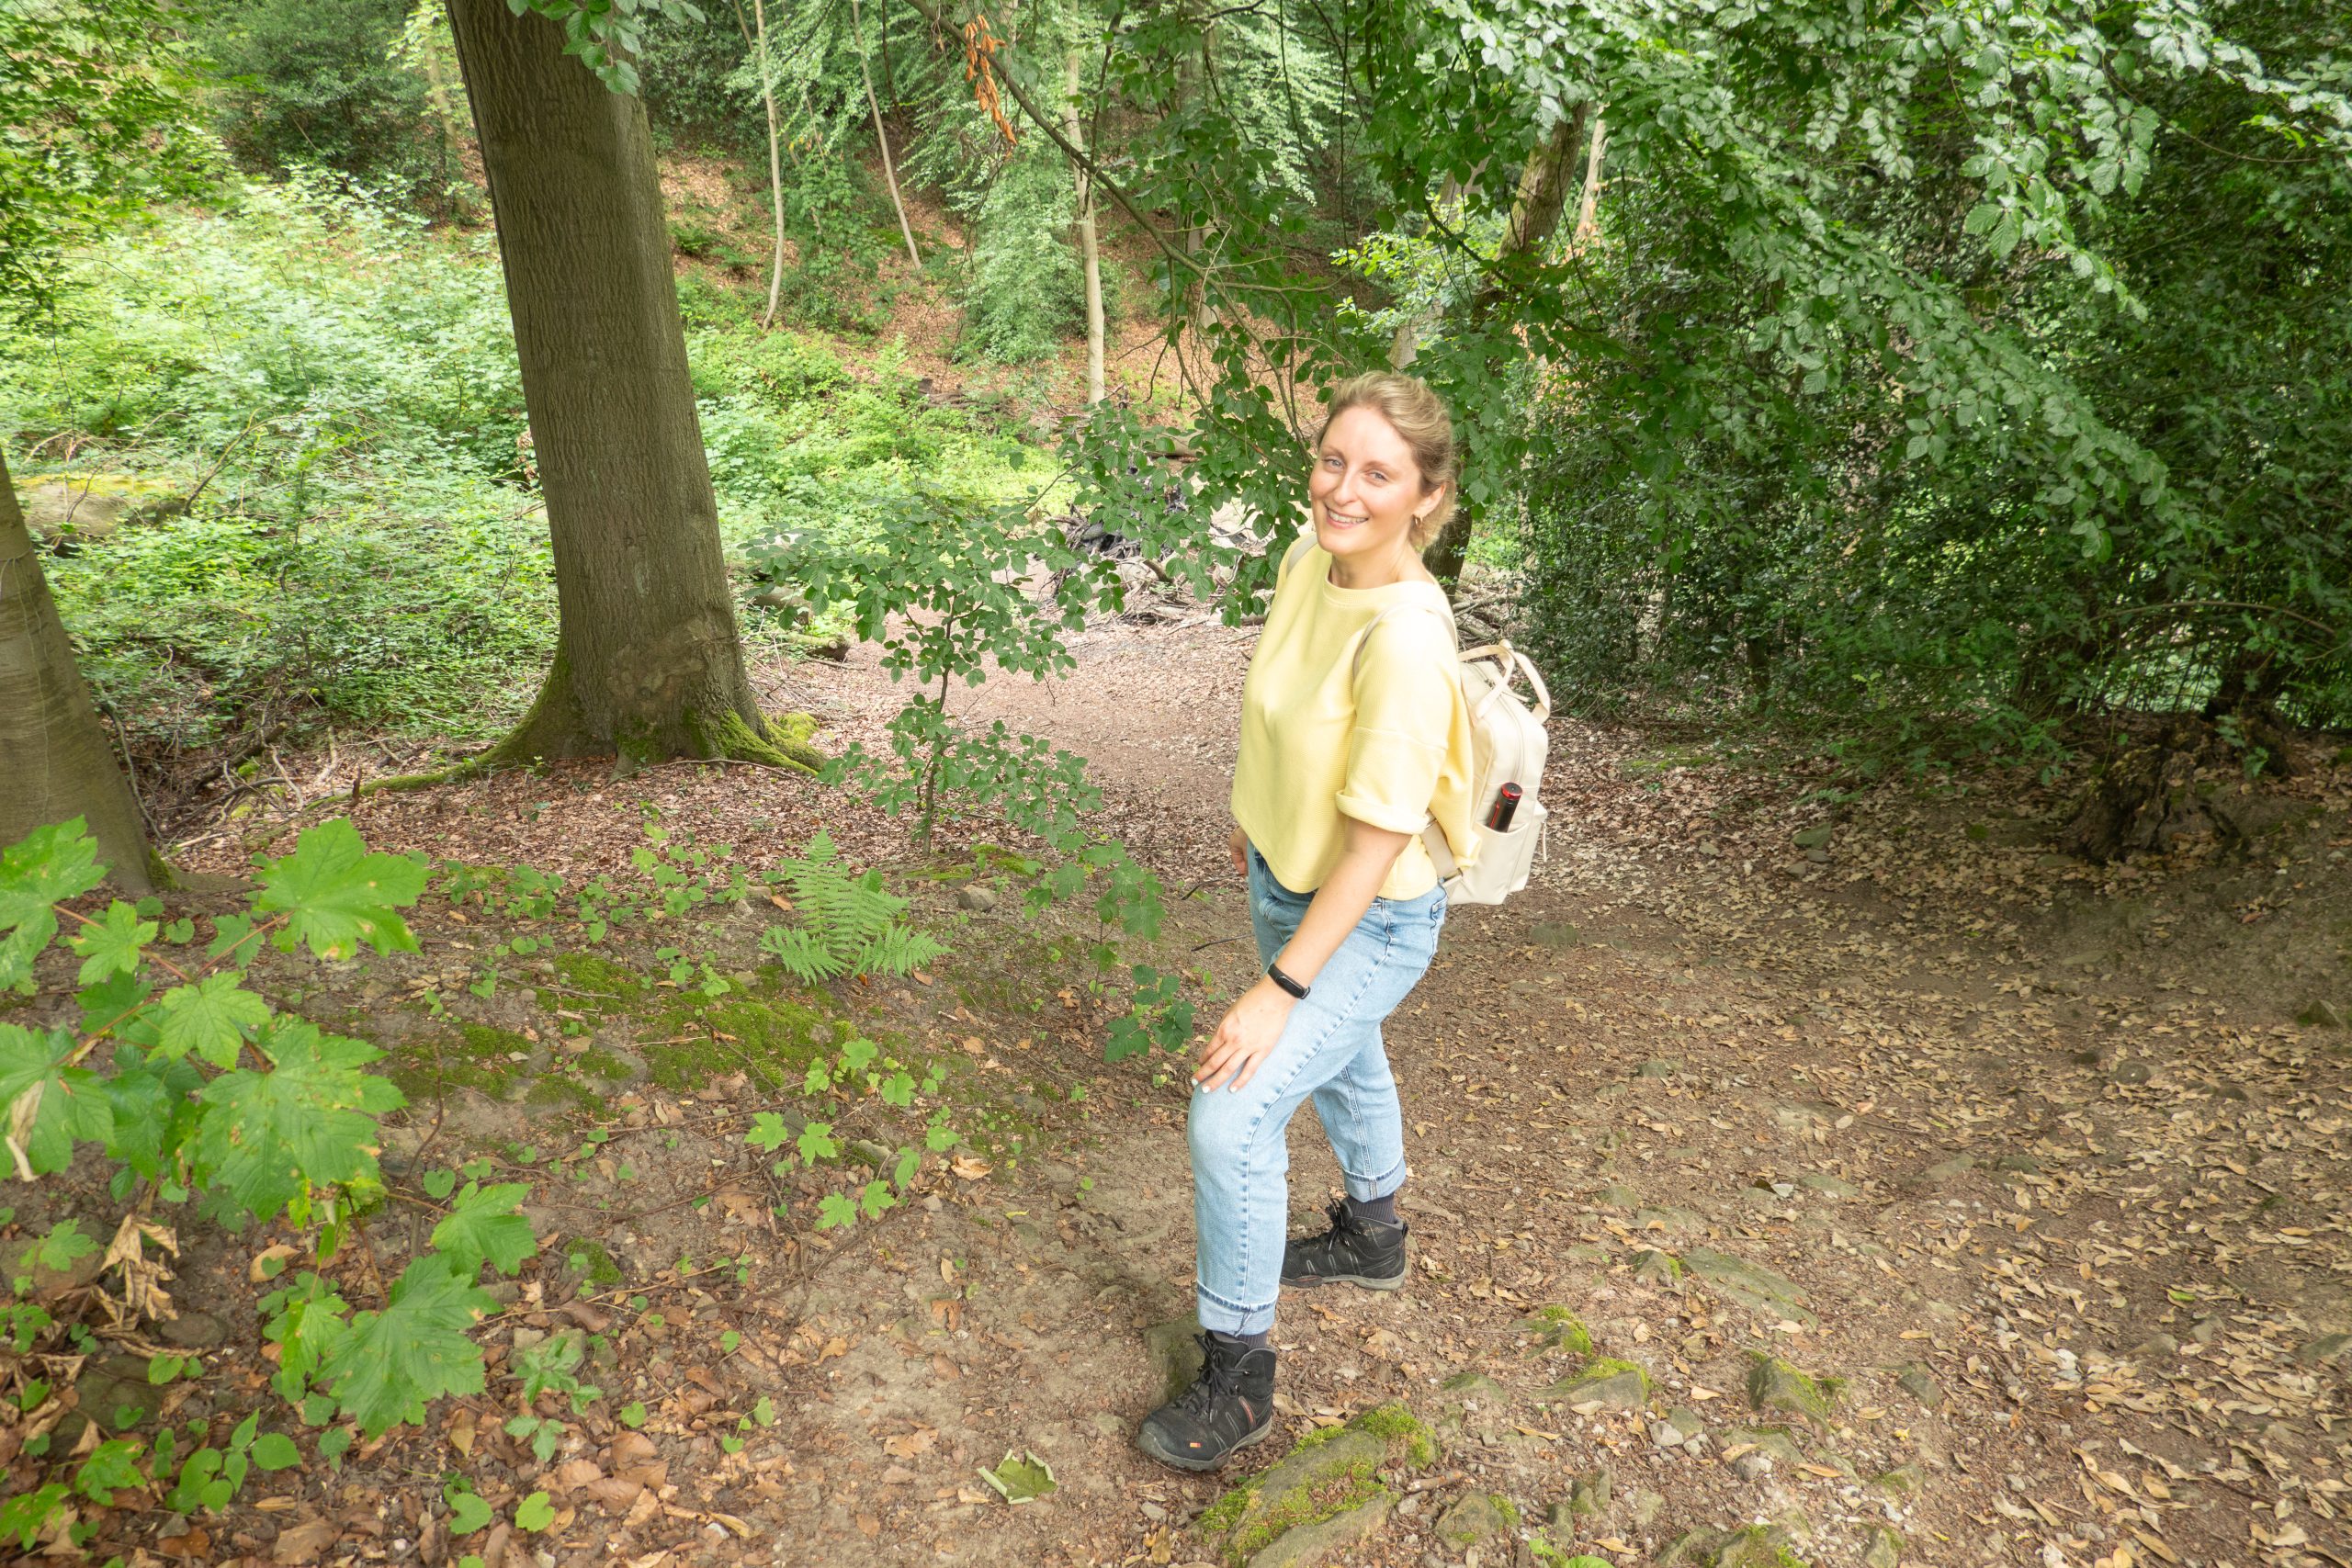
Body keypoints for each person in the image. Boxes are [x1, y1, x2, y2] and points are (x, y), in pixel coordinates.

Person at [1136, 372, 1480, 1472]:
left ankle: (1241, 1377)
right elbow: (1279, 699)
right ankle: (1374, 1236)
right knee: (1347, 1059)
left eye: (1378, 473)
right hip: (1288, 876)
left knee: (1230, 1114)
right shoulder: (1311, 557)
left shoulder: (1409, 640)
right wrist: (1261, 817)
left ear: (1426, 496)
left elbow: (1378, 844)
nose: (1343, 488)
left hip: (1368, 914)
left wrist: (1275, 989)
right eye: (1334, 459)